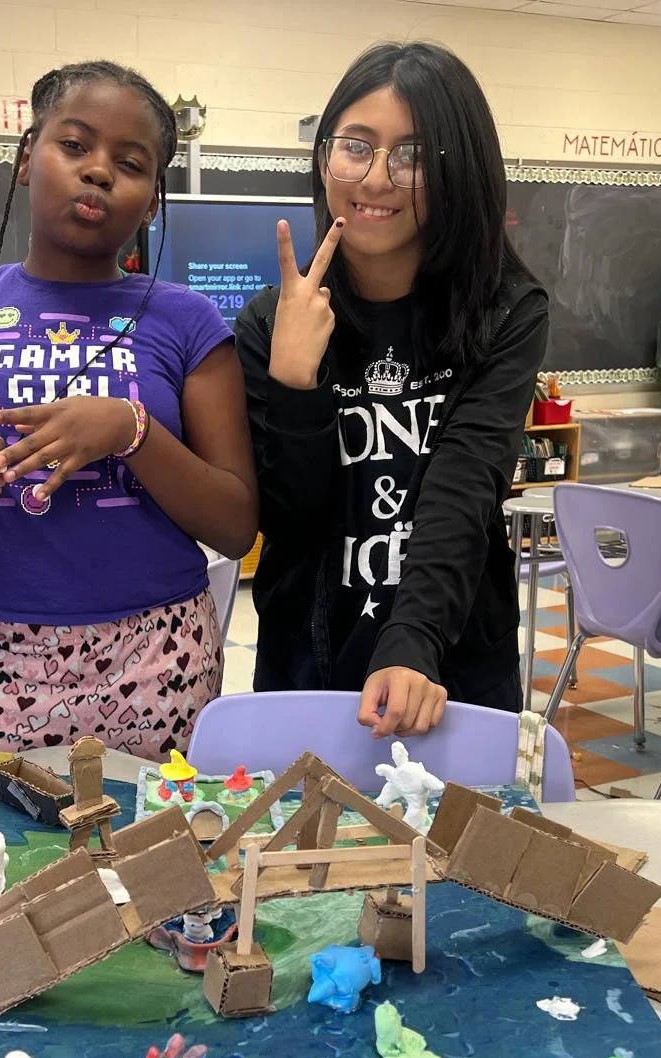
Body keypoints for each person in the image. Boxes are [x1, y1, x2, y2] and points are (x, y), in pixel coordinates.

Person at [0, 61, 258, 758]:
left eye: (129, 163)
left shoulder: (188, 322)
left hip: (159, 650)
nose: (98, 172)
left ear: (153, 201)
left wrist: (130, 431)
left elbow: (235, 521)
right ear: (23, 159)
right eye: (74, 146)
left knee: (153, 859)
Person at [237, 42, 549, 737]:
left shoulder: (504, 311)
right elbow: (292, 519)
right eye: (356, 146)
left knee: (451, 844)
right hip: (308, 657)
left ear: (458, 172)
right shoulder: (270, 320)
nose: (376, 178)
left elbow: (466, 485)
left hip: (449, 657)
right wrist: (294, 381)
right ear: (324, 159)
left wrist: (415, 641)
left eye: (413, 155)